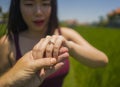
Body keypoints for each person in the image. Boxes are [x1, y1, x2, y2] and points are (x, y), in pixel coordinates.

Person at [0, 0, 108, 87]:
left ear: (52, 6)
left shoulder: (65, 33)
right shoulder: (8, 42)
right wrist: (11, 78)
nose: (38, 12)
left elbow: (103, 60)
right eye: (29, 4)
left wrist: (69, 46)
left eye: (45, 4)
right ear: (18, 7)